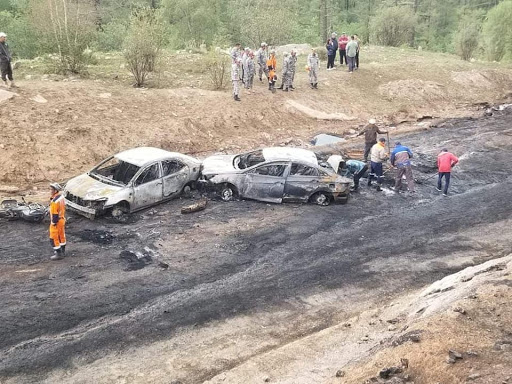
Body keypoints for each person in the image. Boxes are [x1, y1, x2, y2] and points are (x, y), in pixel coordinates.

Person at [49, 183, 67, 261]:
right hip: (62, 219)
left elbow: (55, 214)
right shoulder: (61, 197)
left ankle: (58, 254)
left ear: (55, 190)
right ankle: (62, 251)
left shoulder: (54, 202)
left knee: (53, 238)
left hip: (57, 221)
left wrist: (53, 223)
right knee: (61, 236)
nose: (50, 191)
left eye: (51, 189)